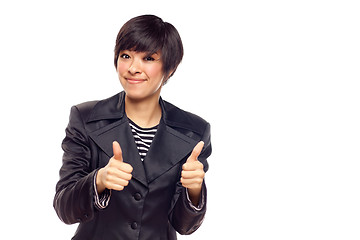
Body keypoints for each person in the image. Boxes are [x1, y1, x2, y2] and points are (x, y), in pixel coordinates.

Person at [53, 14, 212, 240]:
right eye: (126, 56)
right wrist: (98, 180)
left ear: (170, 67)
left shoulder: (194, 132)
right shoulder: (86, 118)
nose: (133, 68)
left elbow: (184, 226)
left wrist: (194, 190)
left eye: (148, 58)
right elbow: (64, 208)